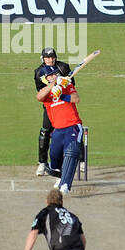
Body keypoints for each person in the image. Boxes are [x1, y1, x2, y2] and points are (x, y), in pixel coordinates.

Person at [35, 62, 84, 194]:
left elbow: (76, 99)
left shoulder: (67, 85)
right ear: (47, 78)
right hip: (58, 130)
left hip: (72, 125)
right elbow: (39, 97)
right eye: (52, 75)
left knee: (71, 152)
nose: (55, 75)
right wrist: (53, 86)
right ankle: (61, 176)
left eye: (56, 73)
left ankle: (66, 185)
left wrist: (62, 94)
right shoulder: (46, 92)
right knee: (54, 158)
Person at [33, 46, 73, 177]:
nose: (50, 60)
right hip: (50, 106)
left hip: (64, 105)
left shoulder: (64, 68)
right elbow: (40, 93)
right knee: (45, 131)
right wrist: (54, 86)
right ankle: (42, 163)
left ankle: (80, 161)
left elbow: (72, 87)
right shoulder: (39, 72)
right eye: (47, 57)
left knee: (73, 129)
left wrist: (65, 84)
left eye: (52, 57)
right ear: (43, 59)